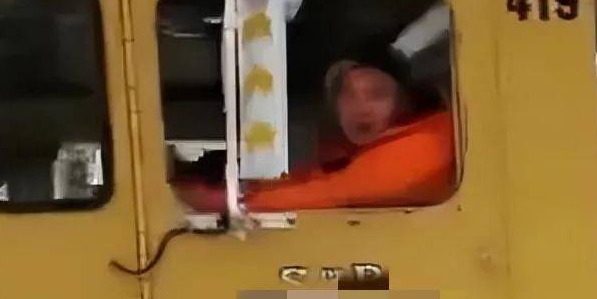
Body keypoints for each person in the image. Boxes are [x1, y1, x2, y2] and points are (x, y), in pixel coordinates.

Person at [173, 44, 456, 213]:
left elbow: (334, 192)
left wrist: (226, 203)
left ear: (407, 98)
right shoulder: (362, 152)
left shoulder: (430, 142)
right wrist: (249, 187)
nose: (360, 107)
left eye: (377, 93)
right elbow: (316, 178)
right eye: (346, 95)